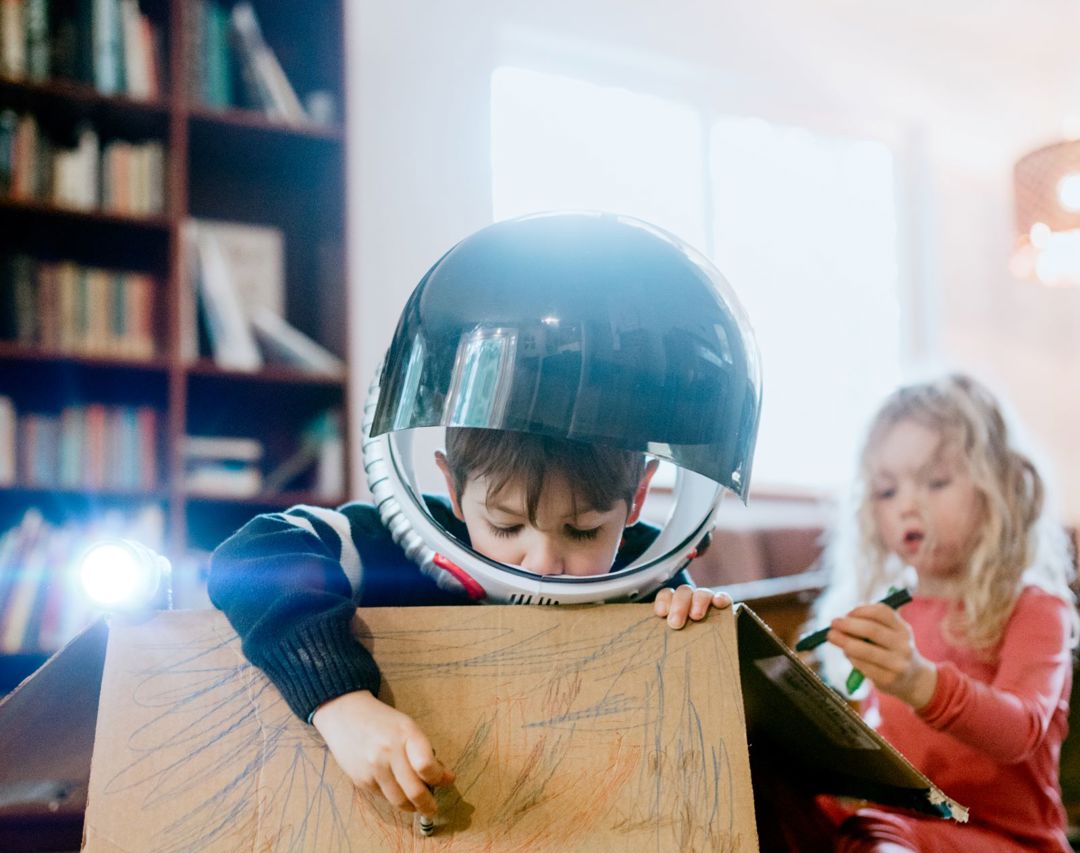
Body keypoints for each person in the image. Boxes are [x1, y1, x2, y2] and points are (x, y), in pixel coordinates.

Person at [208, 211, 763, 821]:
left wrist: (687, 620)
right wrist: (340, 702)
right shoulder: (392, 551)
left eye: (582, 530)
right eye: (504, 524)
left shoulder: (647, 574)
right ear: (451, 488)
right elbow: (251, 558)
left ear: (635, 500)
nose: (544, 563)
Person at [749, 373, 1078, 853]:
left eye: (935, 481)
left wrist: (918, 682)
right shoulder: (880, 608)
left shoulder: (1035, 608)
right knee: (763, 758)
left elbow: (1022, 731)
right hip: (896, 844)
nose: (908, 505)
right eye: (886, 489)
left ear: (1003, 488)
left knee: (888, 826)